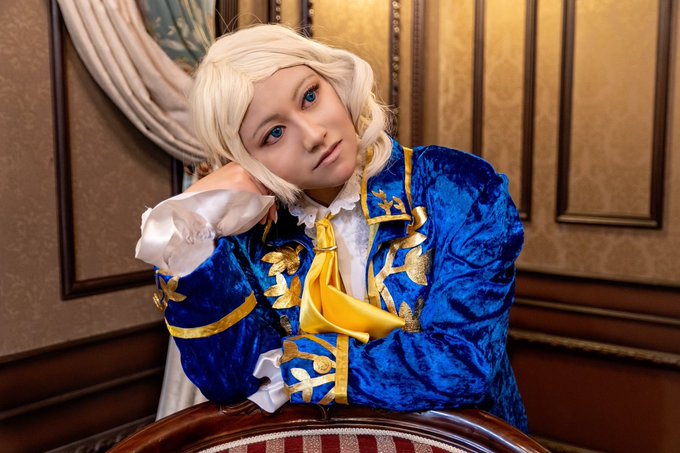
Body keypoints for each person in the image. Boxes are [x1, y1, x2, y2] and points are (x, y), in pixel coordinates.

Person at [135, 24, 527, 431]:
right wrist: (193, 216)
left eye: (310, 96)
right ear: (245, 160)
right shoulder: (244, 238)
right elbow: (231, 380)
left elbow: (463, 363)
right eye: (273, 134)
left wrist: (297, 366)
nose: (314, 135)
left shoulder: (460, 188)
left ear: (334, 82)